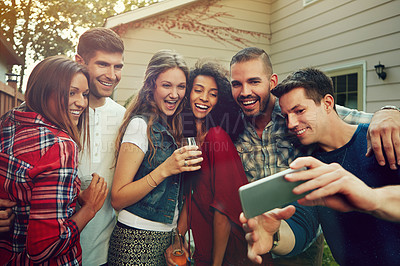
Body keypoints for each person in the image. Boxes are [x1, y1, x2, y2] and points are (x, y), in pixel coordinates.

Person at [229, 47, 400, 265]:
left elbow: (361, 120)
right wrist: (274, 236)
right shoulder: (311, 164)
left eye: (254, 81)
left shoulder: (378, 142)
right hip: (275, 227)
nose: (291, 123)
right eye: (236, 84)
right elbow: (303, 221)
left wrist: (390, 111)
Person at [0, 56, 108, 265]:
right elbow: (45, 247)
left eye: (85, 94)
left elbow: (25, 191)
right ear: (45, 91)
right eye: (71, 93)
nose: (82, 102)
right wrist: (89, 208)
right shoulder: (60, 146)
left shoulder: (8, 121)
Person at [165, 60, 271, 265]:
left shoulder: (216, 137)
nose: (204, 98)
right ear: (188, 94)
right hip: (201, 247)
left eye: (213, 94)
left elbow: (223, 211)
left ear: (218, 101)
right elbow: (191, 194)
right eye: (198, 90)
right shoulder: (187, 136)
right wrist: (177, 239)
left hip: (230, 250)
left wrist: (216, 264)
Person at [107, 49, 203, 265]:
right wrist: (165, 169)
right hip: (135, 238)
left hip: (169, 238)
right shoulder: (139, 125)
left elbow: (187, 192)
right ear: (151, 86)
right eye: (166, 85)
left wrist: (177, 238)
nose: (174, 94)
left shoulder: (182, 125)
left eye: (181, 86)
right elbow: (118, 198)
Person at [74, 27, 126, 266]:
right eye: (103, 64)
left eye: (118, 66)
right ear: (80, 61)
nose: (112, 75)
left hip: (101, 254)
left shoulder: (125, 119)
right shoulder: (59, 112)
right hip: (49, 251)